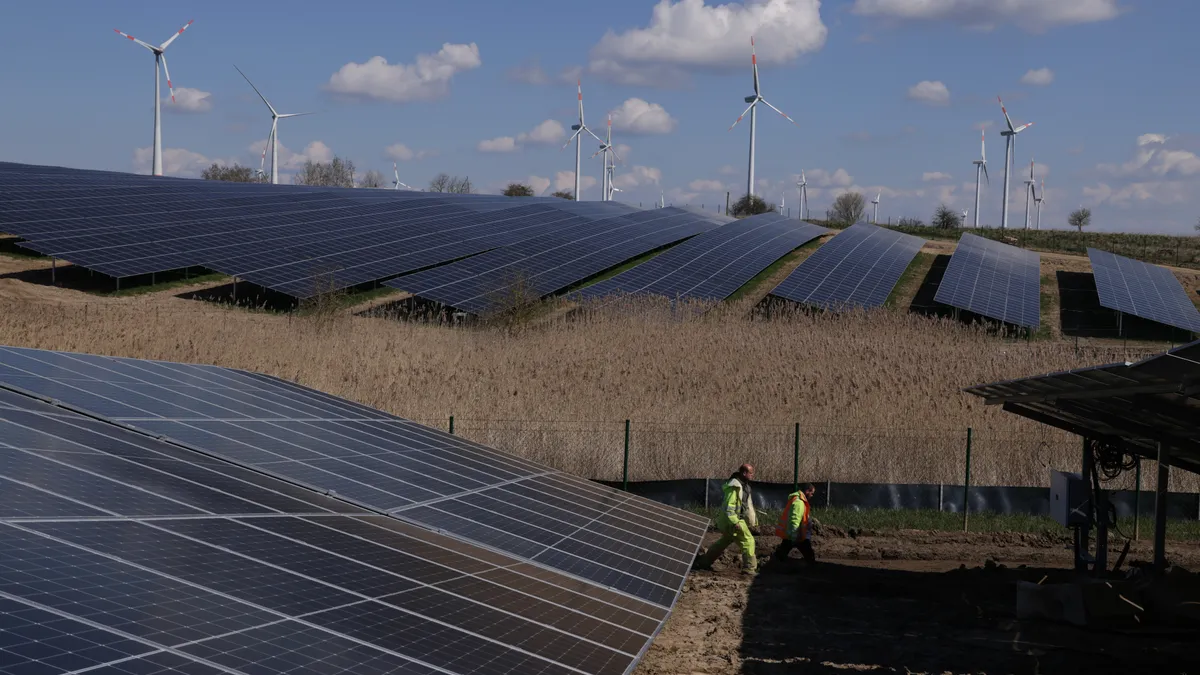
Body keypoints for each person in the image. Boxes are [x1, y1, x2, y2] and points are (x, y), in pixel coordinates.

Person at [693, 463, 759, 574]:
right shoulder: (735, 487)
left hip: (730, 521)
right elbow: (730, 507)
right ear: (744, 473)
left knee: (724, 541)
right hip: (734, 521)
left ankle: (703, 562)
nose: (753, 475)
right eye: (751, 473)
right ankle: (749, 568)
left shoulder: (743, 486)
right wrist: (735, 522)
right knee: (748, 541)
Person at [774, 483, 817, 565]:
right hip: (796, 534)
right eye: (812, 493)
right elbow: (795, 519)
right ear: (807, 491)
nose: (812, 496)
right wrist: (794, 535)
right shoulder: (799, 502)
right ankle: (812, 567)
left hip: (792, 534)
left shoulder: (798, 500)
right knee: (808, 553)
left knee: (783, 551)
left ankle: (775, 562)